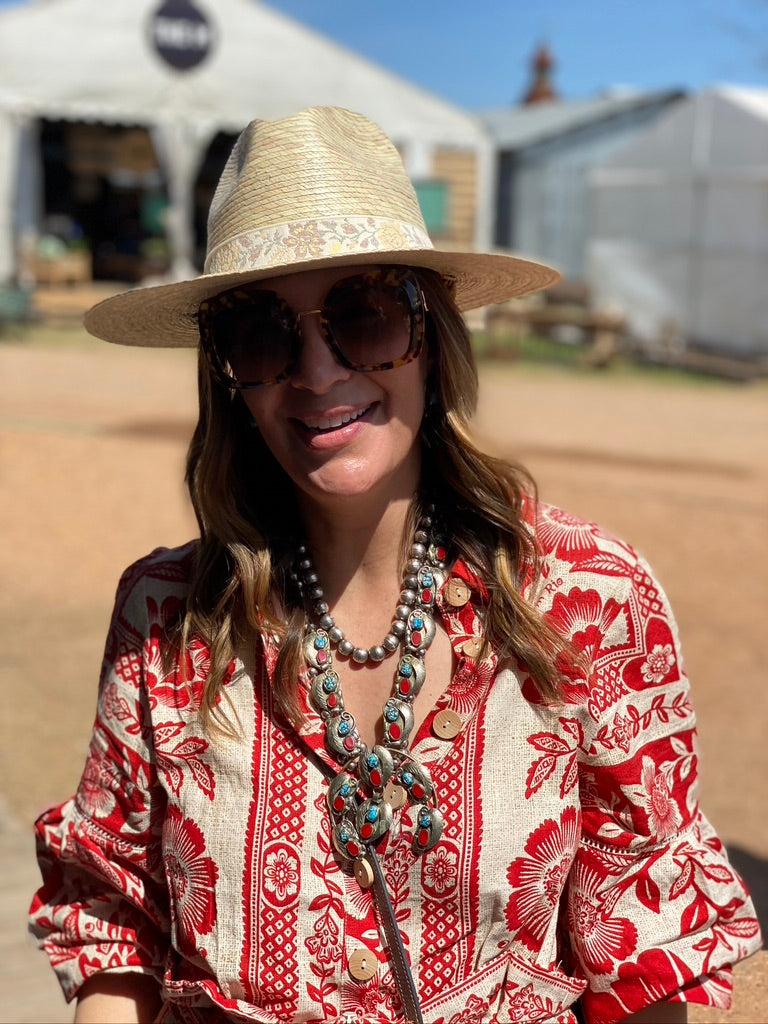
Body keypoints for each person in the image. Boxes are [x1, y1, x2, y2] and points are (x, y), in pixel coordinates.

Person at [30, 107, 760, 1024]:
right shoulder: (166, 617)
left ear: (432, 338)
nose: (319, 371)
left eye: (365, 316)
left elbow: (644, 951)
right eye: (261, 334)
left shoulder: (589, 599)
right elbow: (115, 928)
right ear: (227, 374)